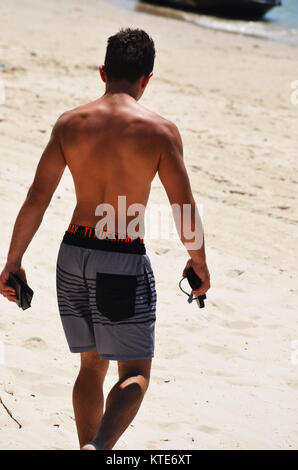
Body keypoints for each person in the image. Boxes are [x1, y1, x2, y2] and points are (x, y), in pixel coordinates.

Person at [0, 28, 210, 450]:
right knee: (135, 372)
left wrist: (13, 260)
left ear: (103, 72)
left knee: (90, 368)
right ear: (147, 78)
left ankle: (86, 446)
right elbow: (181, 208)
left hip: (73, 254)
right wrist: (199, 263)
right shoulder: (160, 131)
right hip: (122, 257)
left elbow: (37, 197)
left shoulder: (70, 123)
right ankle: (97, 449)